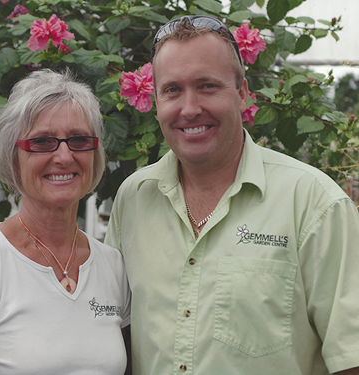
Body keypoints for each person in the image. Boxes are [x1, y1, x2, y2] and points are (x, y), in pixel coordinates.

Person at [105, 15, 359, 375]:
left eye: (207, 86)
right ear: (156, 99)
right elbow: (117, 335)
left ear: (242, 94)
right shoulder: (134, 198)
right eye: (172, 90)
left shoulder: (314, 204)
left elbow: (351, 358)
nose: (190, 108)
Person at [0, 68, 131, 374]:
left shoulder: (113, 267)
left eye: (78, 139)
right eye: (42, 142)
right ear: (13, 160)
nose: (63, 156)